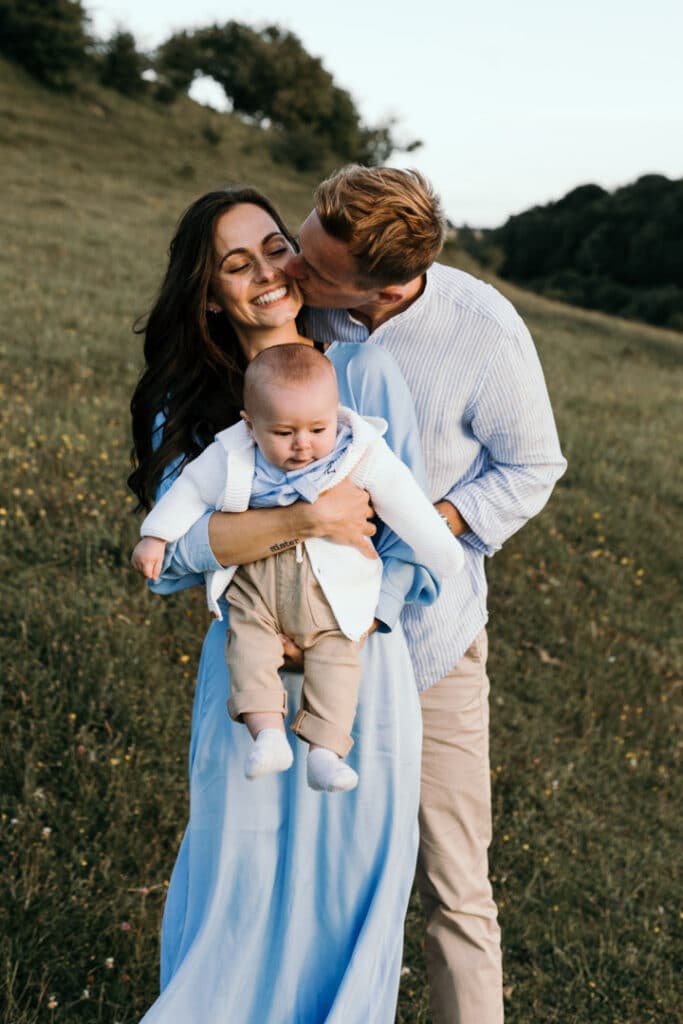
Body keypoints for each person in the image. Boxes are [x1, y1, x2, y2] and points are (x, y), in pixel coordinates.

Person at [128, 187, 446, 1023]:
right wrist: (304, 518)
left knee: (351, 900)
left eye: (274, 246)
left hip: (361, 673)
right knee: (238, 888)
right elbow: (171, 562)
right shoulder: (190, 402)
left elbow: (408, 542)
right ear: (209, 292)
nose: (268, 271)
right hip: (248, 680)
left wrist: (353, 625)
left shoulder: (368, 374)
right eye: (237, 264)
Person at [286, 165, 568, 1024]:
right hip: (310, 634)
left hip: (429, 646)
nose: (293, 269)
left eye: (315, 266)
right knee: (308, 871)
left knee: (454, 882)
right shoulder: (298, 308)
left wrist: (426, 519)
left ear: (386, 283)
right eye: (299, 243)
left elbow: (532, 466)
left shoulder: (481, 330)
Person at [131, 344, 463, 792]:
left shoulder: (357, 451)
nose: (302, 444)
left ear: (336, 414)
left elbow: (404, 498)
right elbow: (190, 491)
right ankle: (267, 734)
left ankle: (324, 752)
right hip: (257, 590)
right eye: (283, 433)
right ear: (251, 424)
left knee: (338, 665)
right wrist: (156, 536)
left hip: (334, 591)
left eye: (317, 428)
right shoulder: (233, 454)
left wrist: (441, 549)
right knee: (248, 649)